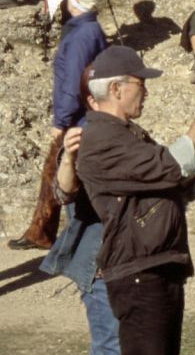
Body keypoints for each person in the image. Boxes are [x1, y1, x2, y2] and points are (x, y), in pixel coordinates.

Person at [76, 45, 195, 355]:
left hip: (155, 267)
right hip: (138, 275)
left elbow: (177, 179)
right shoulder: (101, 141)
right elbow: (170, 166)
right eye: (141, 84)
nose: (146, 93)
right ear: (116, 89)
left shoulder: (125, 135)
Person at [8, 0, 108, 252]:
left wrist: (61, 121)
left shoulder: (81, 35)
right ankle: (43, 233)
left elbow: (72, 82)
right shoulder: (89, 31)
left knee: (67, 180)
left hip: (77, 120)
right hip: (83, 117)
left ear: (74, 1)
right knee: (57, 174)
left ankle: (67, 244)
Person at [41, 64, 121, 355]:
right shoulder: (84, 138)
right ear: (93, 99)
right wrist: (67, 159)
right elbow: (63, 193)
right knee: (110, 346)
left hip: (127, 265)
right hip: (100, 267)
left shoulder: (132, 137)